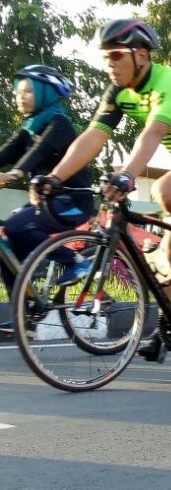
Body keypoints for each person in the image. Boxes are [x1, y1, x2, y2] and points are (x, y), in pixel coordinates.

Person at [39, 19, 171, 362]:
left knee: (165, 189)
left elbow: (152, 133)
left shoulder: (169, 82)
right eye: (105, 56)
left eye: (116, 55)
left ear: (142, 55)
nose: (109, 63)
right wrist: (55, 177)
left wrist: (128, 175)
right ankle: (170, 327)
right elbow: (92, 137)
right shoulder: (119, 93)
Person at [0, 65, 95, 313]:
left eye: (28, 91)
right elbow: (6, 153)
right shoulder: (30, 127)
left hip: (73, 203)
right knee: (6, 246)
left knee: (16, 225)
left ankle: (77, 261)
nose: (20, 96)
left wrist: (13, 174)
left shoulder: (59, 123)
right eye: (18, 92)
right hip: (46, 203)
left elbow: (37, 152)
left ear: (46, 93)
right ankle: (24, 311)